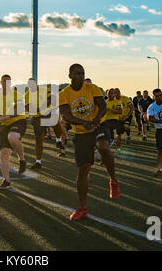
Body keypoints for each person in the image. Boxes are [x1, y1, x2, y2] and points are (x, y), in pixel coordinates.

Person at [59, 64, 120, 221]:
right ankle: (82, 207)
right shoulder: (64, 94)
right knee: (83, 170)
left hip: (98, 125)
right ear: (70, 76)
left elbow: (103, 105)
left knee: (103, 147)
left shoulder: (91, 88)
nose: (81, 76)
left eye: (82, 73)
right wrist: (83, 122)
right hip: (81, 132)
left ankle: (113, 180)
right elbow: (66, 115)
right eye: (77, 73)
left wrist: (96, 119)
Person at [0, 74, 27, 189]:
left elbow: (20, 109)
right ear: (0, 82)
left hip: (18, 121)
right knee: (4, 153)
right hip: (5, 125)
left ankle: (22, 159)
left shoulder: (17, 95)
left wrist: (5, 116)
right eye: (4, 81)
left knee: (13, 137)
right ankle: (6, 181)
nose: (6, 83)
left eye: (9, 81)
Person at [25, 78, 65, 169]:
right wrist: (43, 106)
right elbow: (29, 108)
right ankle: (38, 162)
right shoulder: (27, 95)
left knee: (57, 123)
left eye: (33, 84)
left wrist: (42, 106)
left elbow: (52, 98)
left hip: (47, 113)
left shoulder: (43, 89)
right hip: (37, 118)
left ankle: (58, 140)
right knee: (39, 140)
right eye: (30, 85)